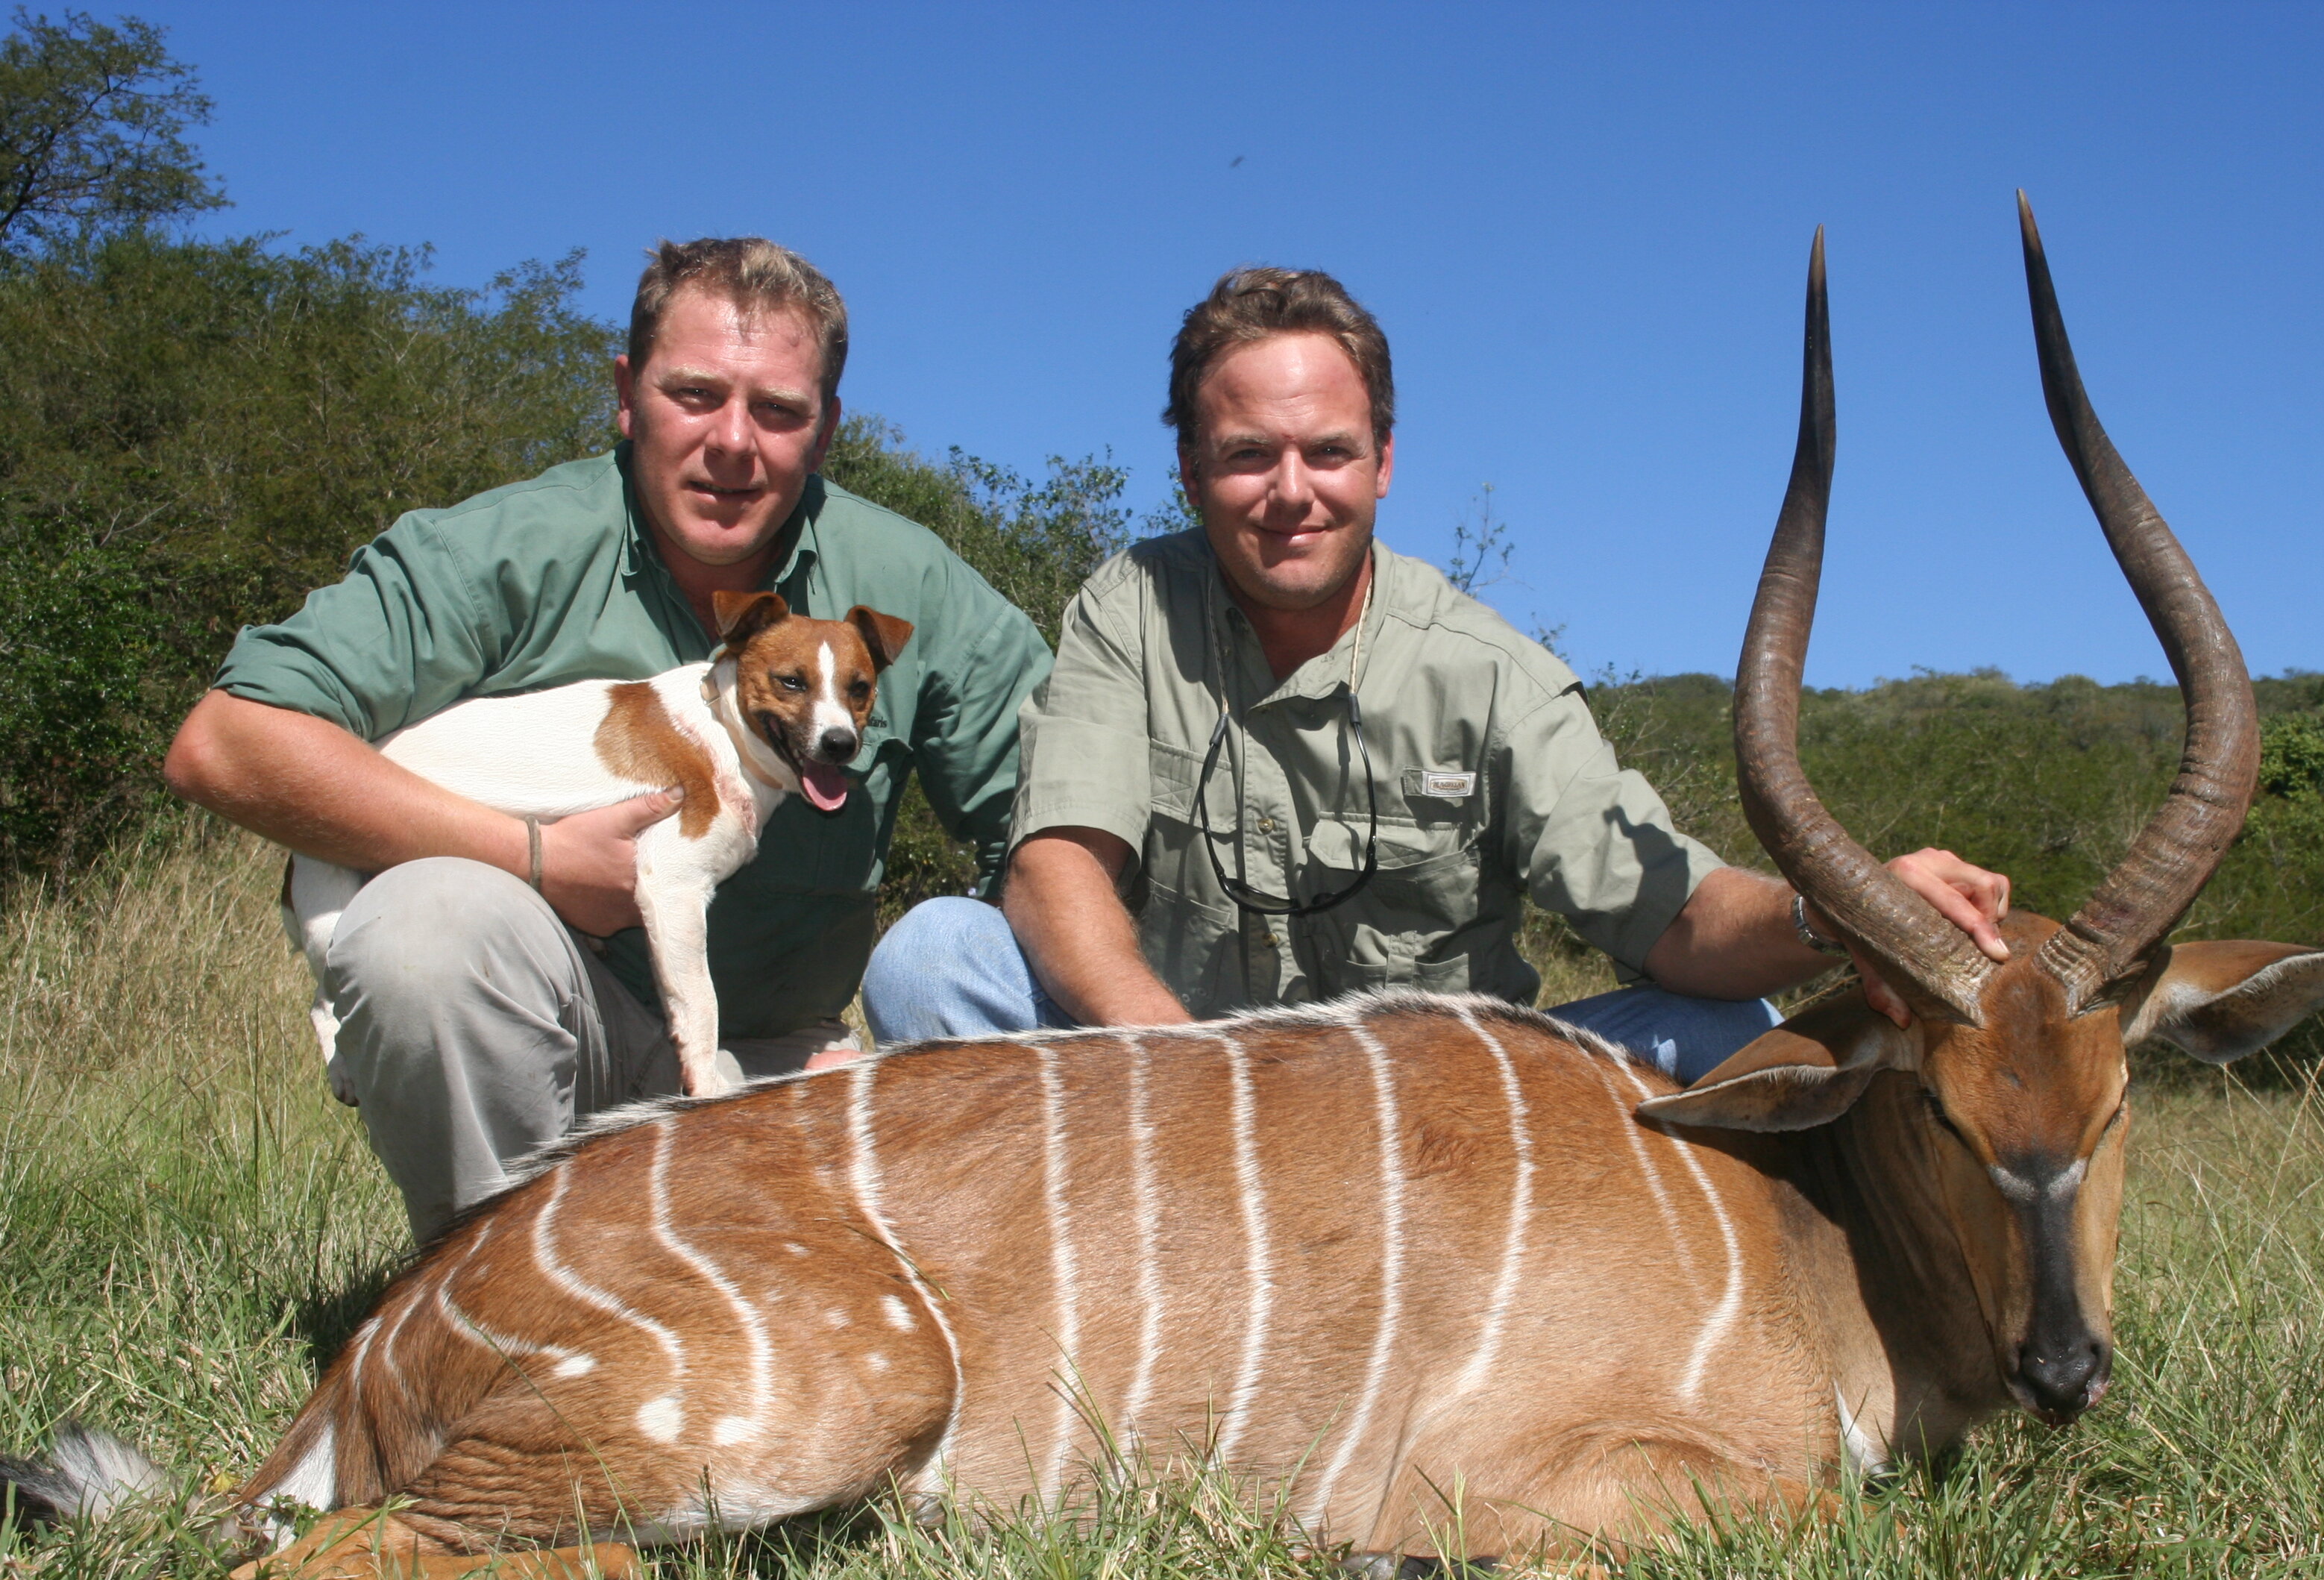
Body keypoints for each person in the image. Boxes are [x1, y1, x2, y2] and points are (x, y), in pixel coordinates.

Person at [862, 267, 2006, 1070]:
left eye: (1330, 452)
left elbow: (1674, 920)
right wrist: (1183, 1075)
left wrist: (1835, 909)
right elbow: (1055, 870)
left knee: (1737, 1036)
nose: (1292, 490)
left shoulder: (1491, 672)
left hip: (1434, 1124)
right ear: (1191, 468)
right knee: (930, 962)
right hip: (1176, 1101)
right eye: (1248, 455)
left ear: (1386, 462)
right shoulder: (1128, 606)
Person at [163, 238, 1052, 1242]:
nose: (733, 441)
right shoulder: (499, 552)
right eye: (695, 394)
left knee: (940, 963)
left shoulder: (910, 586)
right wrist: (536, 859)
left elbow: (1055, 823)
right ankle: (496, 1306)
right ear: (628, 395)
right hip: (550, 1053)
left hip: (769, 1066)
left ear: (827, 428)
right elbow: (226, 744)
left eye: (778, 410)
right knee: (423, 931)